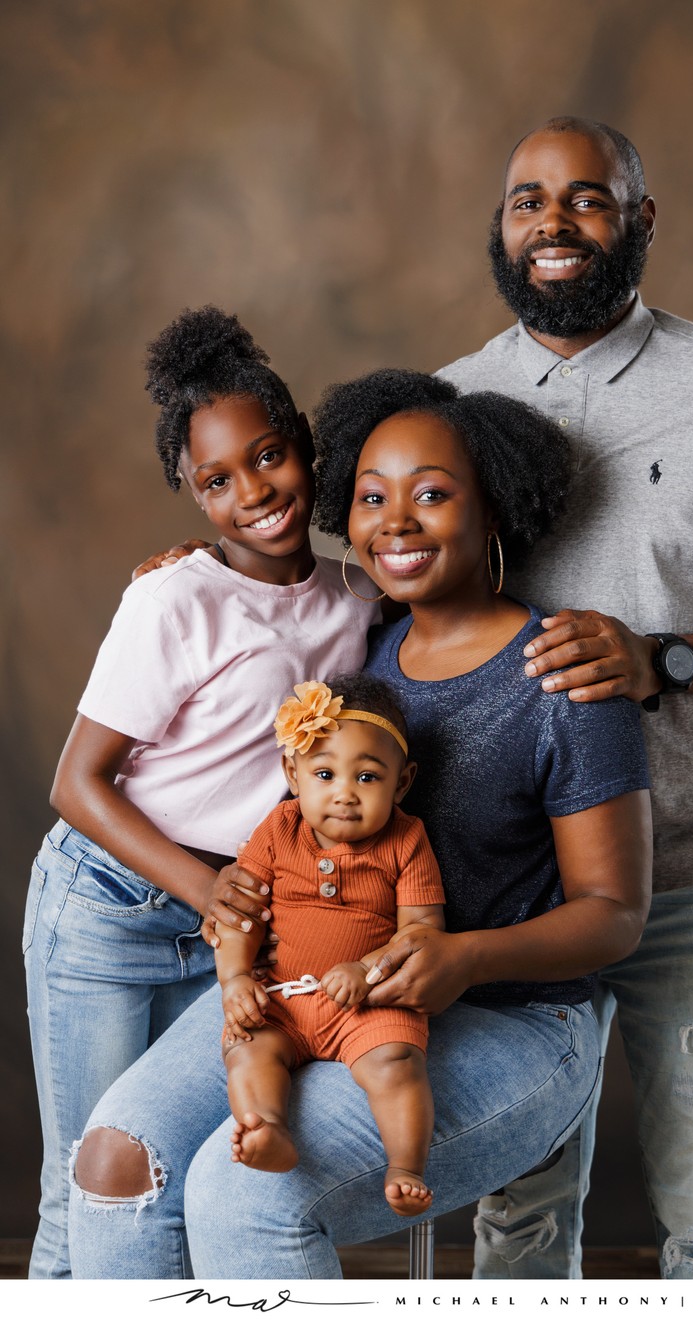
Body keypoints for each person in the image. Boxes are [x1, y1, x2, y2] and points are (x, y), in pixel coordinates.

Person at [66, 370, 652, 1279]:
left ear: (492, 504)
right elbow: (259, 591)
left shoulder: (563, 676)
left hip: (515, 1019)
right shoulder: (364, 636)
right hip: (317, 987)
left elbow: (615, 913)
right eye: (371, 498)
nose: (395, 521)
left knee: (243, 1189)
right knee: (116, 1158)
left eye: (431, 494)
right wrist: (192, 566)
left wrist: (466, 955)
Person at [433, 116, 693, 1280]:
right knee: (515, 1227)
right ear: (500, 227)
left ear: (639, 218)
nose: (552, 223)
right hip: (514, 889)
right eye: (527, 200)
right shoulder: (449, 406)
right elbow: (392, 602)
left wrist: (661, 657)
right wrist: (217, 573)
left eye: (585, 198)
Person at [22, 306, 379, 1279]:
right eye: (217, 480)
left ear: (303, 442)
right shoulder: (174, 596)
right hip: (111, 904)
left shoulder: (359, 601)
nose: (251, 491)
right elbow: (76, 783)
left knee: (180, 1167)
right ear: (190, 492)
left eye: (267, 457)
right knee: (89, 1179)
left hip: (233, 925)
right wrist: (200, 888)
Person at [216, 672, 445, 1216]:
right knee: (247, 1050)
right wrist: (236, 980)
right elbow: (239, 913)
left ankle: (406, 1168)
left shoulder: (406, 839)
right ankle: (268, 1128)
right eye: (324, 773)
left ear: (402, 782)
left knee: (396, 1061)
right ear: (292, 774)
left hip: (365, 1004)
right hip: (283, 995)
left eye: (367, 777)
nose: (344, 793)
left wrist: (368, 968)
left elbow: (422, 930)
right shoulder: (279, 828)